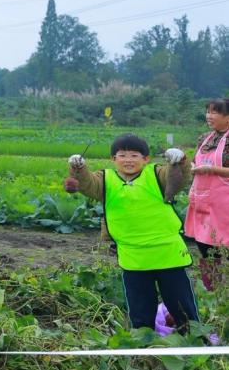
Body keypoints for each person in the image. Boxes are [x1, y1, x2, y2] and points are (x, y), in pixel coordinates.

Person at [64, 134, 199, 331]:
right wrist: (78, 168)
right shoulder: (106, 179)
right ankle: (143, 345)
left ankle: (194, 340)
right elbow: (88, 185)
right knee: (140, 306)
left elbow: (177, 178)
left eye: (135, 155)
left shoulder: (155, 174)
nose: (128, 160)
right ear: (113, 159)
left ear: (146, 159)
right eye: (122, 155)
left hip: (168, 253)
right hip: (132, 255)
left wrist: (180, 161)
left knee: (180, 303)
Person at [186, 98, 229, 290]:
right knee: (205, 247)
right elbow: (195, 162)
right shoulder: (204, 138)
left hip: (224, 203)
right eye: (208, 111)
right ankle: (213, 293)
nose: (209, 116)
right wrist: (193, 167)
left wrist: (212, 170)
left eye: (215, 112)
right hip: (203, 200)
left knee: (223, 247)